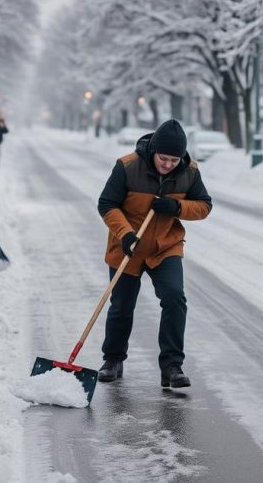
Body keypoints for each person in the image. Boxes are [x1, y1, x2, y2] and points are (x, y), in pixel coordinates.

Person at [96, 119, 212, 388]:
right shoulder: (127, 166)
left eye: (174, 159)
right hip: (128, 245)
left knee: (174, 297)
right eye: (164, 158)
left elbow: (204, 206)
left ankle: (172, 366)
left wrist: (176, 206)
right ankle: (112, 359)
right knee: (122, 305)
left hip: (165, 247)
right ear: (154, 151)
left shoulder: (190, 171)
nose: (169, 164)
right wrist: (125, 233)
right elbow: (107, 204)